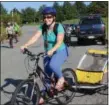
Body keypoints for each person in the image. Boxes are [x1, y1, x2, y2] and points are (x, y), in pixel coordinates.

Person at [20, 7, 69, 104]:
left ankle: (61, 79)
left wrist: (52, 50)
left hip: (60, 51)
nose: (46, 19)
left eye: (49, 17)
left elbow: (59, 42)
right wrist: (25, 45)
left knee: (53, 65)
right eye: (45, 17)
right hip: (48, 52)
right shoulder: (43, 27)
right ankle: (46, 94)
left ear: (54, 17)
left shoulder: (58, 27)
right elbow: (35, 37)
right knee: (46, 76)